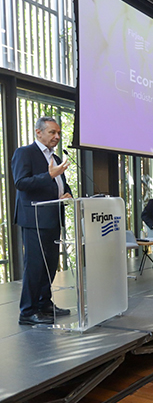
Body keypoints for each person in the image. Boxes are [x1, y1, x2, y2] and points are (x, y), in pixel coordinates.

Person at [12, 116, 73, 325]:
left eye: (58, 133)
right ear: (38, 132)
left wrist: (67, 194)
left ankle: (44, 304)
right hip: (34, 219)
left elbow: (59, 184)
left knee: (50, 264)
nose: (56, 136)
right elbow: (20, 182)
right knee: (35, 266)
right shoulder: (25, 153)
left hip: (52, 217)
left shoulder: (55, 157)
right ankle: (27, 312)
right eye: (52, 132)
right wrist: (48, 176)